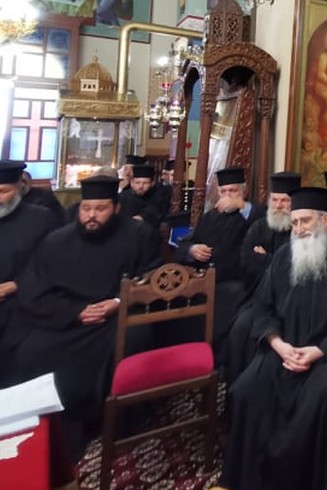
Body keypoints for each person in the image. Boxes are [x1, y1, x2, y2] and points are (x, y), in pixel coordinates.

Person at [220, 187, 327, 490]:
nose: (299, 229)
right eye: (294, 223)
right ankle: (250, 483)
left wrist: (319, 350)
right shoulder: (282, 257)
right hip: (284, 350)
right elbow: (262, 306)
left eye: (305, 221)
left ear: (324, 220)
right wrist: (277, 343)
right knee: (245, 390)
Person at [2, 176, 156, 451]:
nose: (91, 216)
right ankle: (47, 417)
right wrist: (76, 312)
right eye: (86, 208)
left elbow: (153, 278)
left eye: (100, 209)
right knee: (30, 349)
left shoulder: (139, 235)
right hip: (69, 317)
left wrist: (119, 301)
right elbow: (35, 290)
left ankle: (111, 421)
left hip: (117, 316)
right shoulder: (56, 241)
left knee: (132, 339)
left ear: (116, 208)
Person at [0, 160, 61, 388]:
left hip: (22, 306)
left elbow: (52, 265)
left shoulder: (42, 219)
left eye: (3, 191)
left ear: (20, 188)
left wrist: (14, 286)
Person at [175, 167, 265, 347]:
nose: (228, 196)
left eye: (233, 191)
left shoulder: (256, 215)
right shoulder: (208, 218)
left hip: (239, 286)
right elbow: (183, 246)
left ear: (244, 191)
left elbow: (264, 218)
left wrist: (242, 206)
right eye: (224, 191)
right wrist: (192, 249)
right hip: (204, 283)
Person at [225, 171, 301, 383]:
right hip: (259, 297)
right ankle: (237, 387)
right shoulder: (259, 226)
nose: (278, 206)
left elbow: (298, 270)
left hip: (293, 301)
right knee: (241, 328)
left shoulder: (302, 230)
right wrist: (277, 262)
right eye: (274, 200)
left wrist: (267, 258)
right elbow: (246, 262)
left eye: (284, 201)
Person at [118, 164, 167, 228]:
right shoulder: (123, 197)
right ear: (131, 183)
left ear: (152, 184)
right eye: (137, 182)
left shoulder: (158, 197)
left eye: (145, 183)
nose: (141, 186)